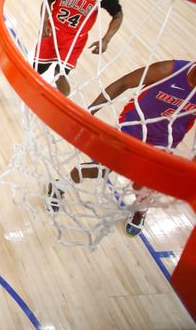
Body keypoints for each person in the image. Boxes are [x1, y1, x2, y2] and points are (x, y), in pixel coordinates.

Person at [46, 60, 196, 236]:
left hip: (165, 141)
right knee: (100, 169)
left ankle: (140, 211)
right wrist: (90, 111)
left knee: (146, 184)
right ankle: (59, 185)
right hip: (132, 127)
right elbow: (123, 82)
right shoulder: (168, 70)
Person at [33, 0, 123, 97]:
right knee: (38, 69)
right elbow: (47, 1)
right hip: (52, 32)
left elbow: (118, 16)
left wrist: (106, 39)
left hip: (75, 39)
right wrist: (44, 22)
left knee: (60, 74)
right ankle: (29, 92)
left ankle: (64, 102)